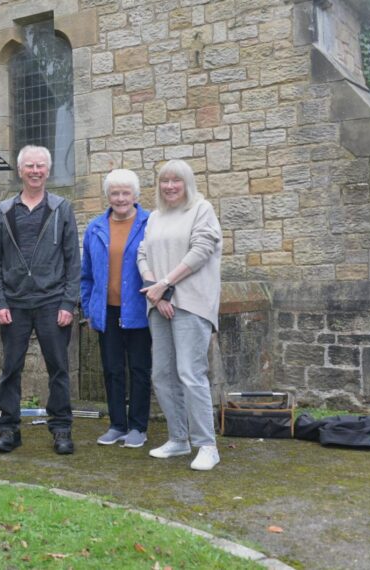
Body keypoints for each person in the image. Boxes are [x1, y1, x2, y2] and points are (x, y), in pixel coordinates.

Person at [0, 145, 81, 455]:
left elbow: (73, 260)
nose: (35, 171)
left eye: (40, 166)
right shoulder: (3, 211)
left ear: (48, 171)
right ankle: (8, 429)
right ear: (20, 170)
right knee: (10, 369)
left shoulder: (61, 208)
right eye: (30, 166)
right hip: (14, 304)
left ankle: (61, 428)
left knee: (58, 368)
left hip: (52, 301)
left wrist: (68, 303)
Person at [137, 159, 223, 471]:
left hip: (191, 303)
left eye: (176, 180)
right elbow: (142, 254)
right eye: (165, 180)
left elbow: (201, 251)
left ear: (187, 183)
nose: (170, 186)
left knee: (190, 372)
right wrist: (156, 290)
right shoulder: (155, 217)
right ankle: (178, 439)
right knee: (162, 374)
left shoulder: (201, 209)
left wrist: (165, 284)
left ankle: (207, 446)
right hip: (159, 303)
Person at [81, 169, 152, 448]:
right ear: (107, 196)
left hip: (139, 309)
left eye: (125, 193)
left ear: (135, 195)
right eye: (115, 193)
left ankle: (138, 427)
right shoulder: (95, 228)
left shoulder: (150, 223)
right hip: (106, 311)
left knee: (139, 369)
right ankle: (117, 424)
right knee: (112, 369)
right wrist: (89, 309)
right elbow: (86, 275)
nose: (120, 198)